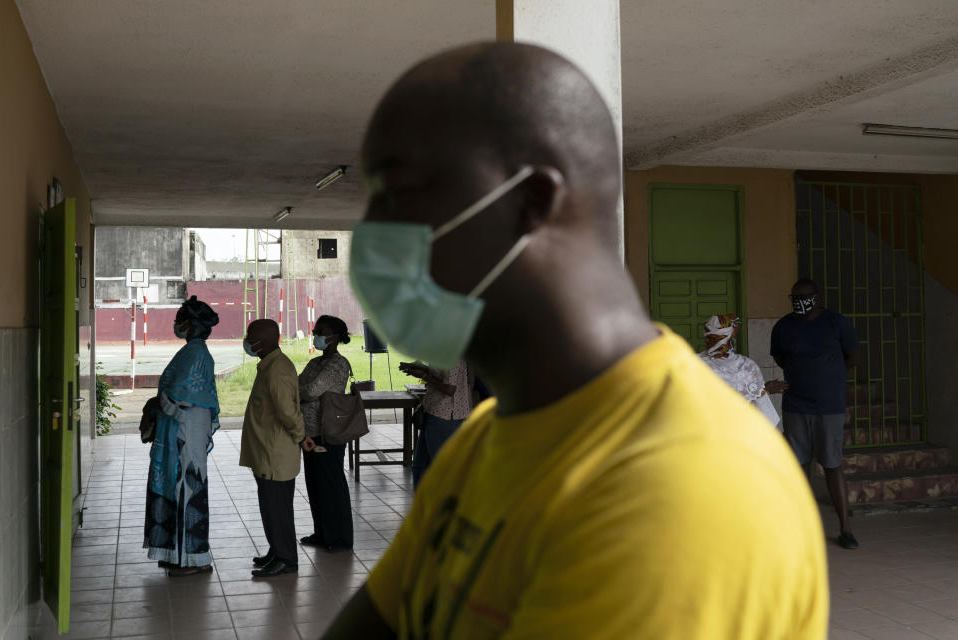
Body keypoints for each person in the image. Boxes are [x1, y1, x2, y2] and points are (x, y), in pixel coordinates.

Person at [325, 42, 827, 639]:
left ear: (531, 200)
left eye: (402, 192)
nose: (375, 233)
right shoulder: (483, 446)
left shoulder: (681, 483)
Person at [772, 278, 861, 550]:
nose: (799, 302)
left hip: (829, 407)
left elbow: (853, 356)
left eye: (805, 296)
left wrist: (832, 378)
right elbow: (780, 358)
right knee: (799, 467)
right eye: (794, 297)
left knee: (832, 465)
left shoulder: (836, 322)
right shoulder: (784, 326)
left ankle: (845, 528)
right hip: (796, 406)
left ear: (816, 297)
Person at [143, 296, 220, 577]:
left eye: (181, 319)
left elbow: (180, 397)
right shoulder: (191, 351)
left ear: (191, 325)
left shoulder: (197, 354)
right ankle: (176, 554)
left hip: (186, 432)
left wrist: (156, 402)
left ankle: (194, 559)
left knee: (187, 492)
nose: (177, 324)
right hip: (183, 430)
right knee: (178, 491)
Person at [239, 318, 309, 577]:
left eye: (251, 336)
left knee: (277, 509)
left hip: (275, 454)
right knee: (270, 507)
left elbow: (287, 412)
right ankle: (276, 551)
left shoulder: (277, 370)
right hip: (266, 452)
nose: (247, 340)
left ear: (265, 341)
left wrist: (302, 436)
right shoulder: (270, 365)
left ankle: (286, 559)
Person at [298, 314, 355, 552]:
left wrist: (309, 393)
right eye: (315, 331)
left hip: (327, 433)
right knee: (315, 484)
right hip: (309, 432)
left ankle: (340, 538)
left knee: (331, 485)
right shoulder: (316, 363)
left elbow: (309, 390)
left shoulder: (337, 364)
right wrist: (307, 392)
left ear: (334, 337)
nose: (315, 336)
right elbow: (297, 386)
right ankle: (322, 533)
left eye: (320, 332)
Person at [698, 313, 787, 429]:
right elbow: (764, 413)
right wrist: (762, 389)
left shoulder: (692, 363)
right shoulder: (746, 366)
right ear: (730, 339)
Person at [399, 359, 475, 488]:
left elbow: (450, 388)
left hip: (445, 415)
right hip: (435, 412)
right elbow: (444, 376)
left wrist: (424, 376)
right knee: (419, 468)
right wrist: (423, 368)